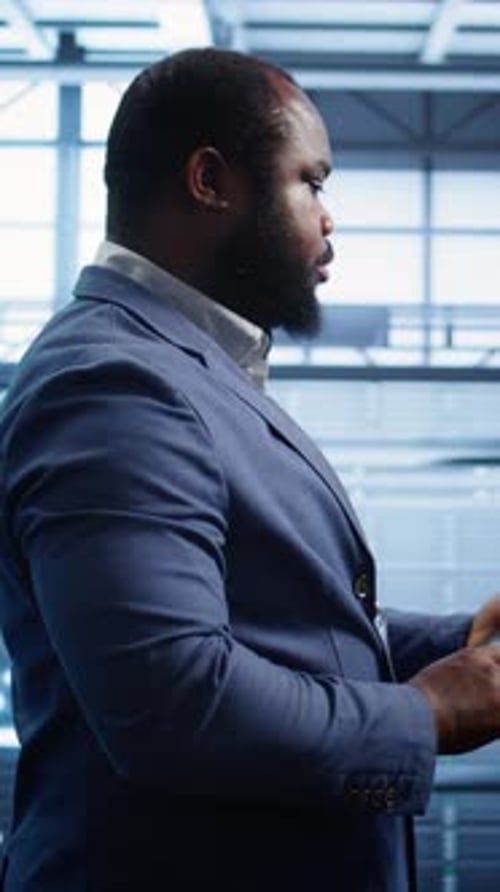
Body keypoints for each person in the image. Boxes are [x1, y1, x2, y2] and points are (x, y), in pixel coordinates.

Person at [1, 47, 500, 892]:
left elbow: (277, 624)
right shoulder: (115, 385)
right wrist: (428, 712)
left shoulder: (183, 369)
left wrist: (463, 642)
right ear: (209, 181)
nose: (329, 217)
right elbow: (174, 705)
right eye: (312, 182)